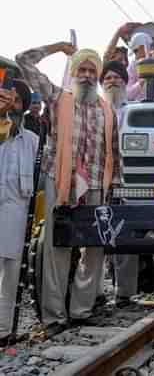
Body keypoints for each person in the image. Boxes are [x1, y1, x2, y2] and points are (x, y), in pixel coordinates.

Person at [16, 42, 120, 335]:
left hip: (98, 183)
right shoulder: (58, 97)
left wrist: (116, 187)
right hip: (59, 180)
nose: (87, 75)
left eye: (91, 70)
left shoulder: (107, 109)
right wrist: (57, 48)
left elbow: (113, 150)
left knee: (95, 248)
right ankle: (54, 317)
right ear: (73, 74)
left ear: (97, 76)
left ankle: (81, 310)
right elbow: (23, 60)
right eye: (82, 70)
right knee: (56, 246)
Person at [0, 80, 39, 345]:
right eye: (6, 97)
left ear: (23, 106)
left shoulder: (34, 141)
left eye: (16, 100)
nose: (10, 104)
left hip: (15, 213)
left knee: (10, 274)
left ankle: (3, 332)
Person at [97, 60, 138, 308]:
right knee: (95, 238)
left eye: (117, 78)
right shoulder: (93, 110)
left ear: (125, 82)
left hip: (128, 180)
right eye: (108, 78)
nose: (112, 81)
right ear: (102, 84)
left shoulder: (135, 112)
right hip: (98, 181)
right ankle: (96, 292)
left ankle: (124, 293)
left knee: (126, 235)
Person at [126, 32, 154, 102]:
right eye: (135, 51)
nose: (151, 48)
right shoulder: (132, 66)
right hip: (139, 107)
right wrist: (142, 80)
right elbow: (128, 95)